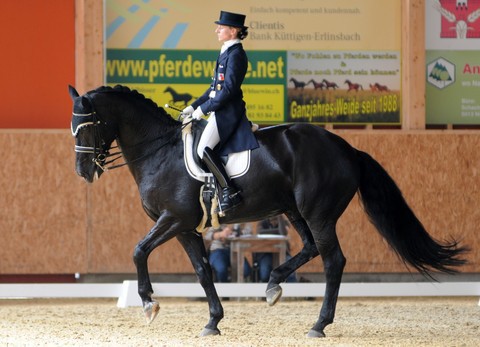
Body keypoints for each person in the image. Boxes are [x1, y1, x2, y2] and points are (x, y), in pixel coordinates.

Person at [182, 11, 259, 214]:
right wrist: (193, 106)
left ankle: (229, 191)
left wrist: (203, 110)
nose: (217, 30)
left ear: (233, 31)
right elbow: (214, 88)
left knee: (203, 149)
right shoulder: (226, 52)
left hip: (228, 113)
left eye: (221, 27)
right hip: (219, 111)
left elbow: (228, 90)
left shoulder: (237, 55)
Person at [245, 215, 297, 283]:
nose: (274, 222)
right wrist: (278, 231)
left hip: (283, 252)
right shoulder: (263, 221)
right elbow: (260, 231)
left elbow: (283, 232)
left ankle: (292, 291)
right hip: (266, 253)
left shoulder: (283, 221)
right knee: (264, 273)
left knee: (291, 271)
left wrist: (280, 218)